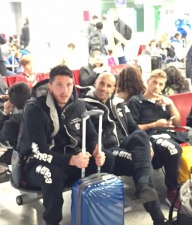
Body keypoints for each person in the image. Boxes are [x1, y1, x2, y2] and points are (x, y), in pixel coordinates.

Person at [20, 65, 115, 225]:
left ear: (73, 85)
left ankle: (94, 213)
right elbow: (37, 151)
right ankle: (52, 221)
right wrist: (72, 160)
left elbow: (91, 135)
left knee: (109, 158)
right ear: (50, 87)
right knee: (53, 175)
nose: (65, 90)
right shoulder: (34, 109)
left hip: (70, 159)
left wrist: (98, 150)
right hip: (36, 162)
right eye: (59, 85)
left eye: (69, 85)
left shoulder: (78, 105)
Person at [127, 69, 192, 204]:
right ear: (147, 82)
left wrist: (170, 104)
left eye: (161, 84)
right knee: (174, 150)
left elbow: (177, 123)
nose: (157, 87)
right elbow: (132, 129)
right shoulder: (136, 101)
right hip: (151, 136)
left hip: (172, 132)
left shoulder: (164, 100)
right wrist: (154, 124)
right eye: (154, 83)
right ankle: (172, 190)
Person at [83, 72, 170, 225]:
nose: (104, 88)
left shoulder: (119, 104)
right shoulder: (85, 104)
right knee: (139, 164)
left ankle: (143, 186)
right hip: (107, 150)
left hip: (124, 143)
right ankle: (159, 219)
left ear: (114, 88)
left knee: (141, 136)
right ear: (95, 82)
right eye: (101, 83)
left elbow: (134, 128)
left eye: (108, 86)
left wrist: (148, 144)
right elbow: (89, 136)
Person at [0, 82, 31, 164]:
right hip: (38, 154)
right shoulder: (39, 114)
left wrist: (5, 113)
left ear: (11, 102)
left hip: (19, 156)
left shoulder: (11, 123)